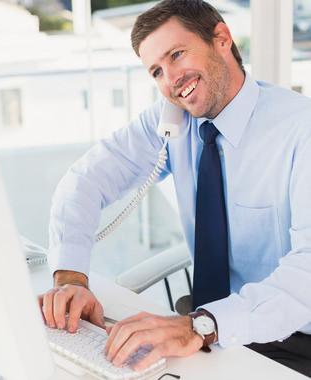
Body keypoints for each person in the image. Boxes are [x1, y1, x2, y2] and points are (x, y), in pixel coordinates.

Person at [39, 0, 311, 376]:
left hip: (294, 335)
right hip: (209, 327)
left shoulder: (301, 131)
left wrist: (201, 326)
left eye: (177, 54)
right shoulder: (172, 121)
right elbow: (85, 180)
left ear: (221, 38)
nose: (170, 79)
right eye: (156, 71)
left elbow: (307, 274)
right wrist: (70, 277)